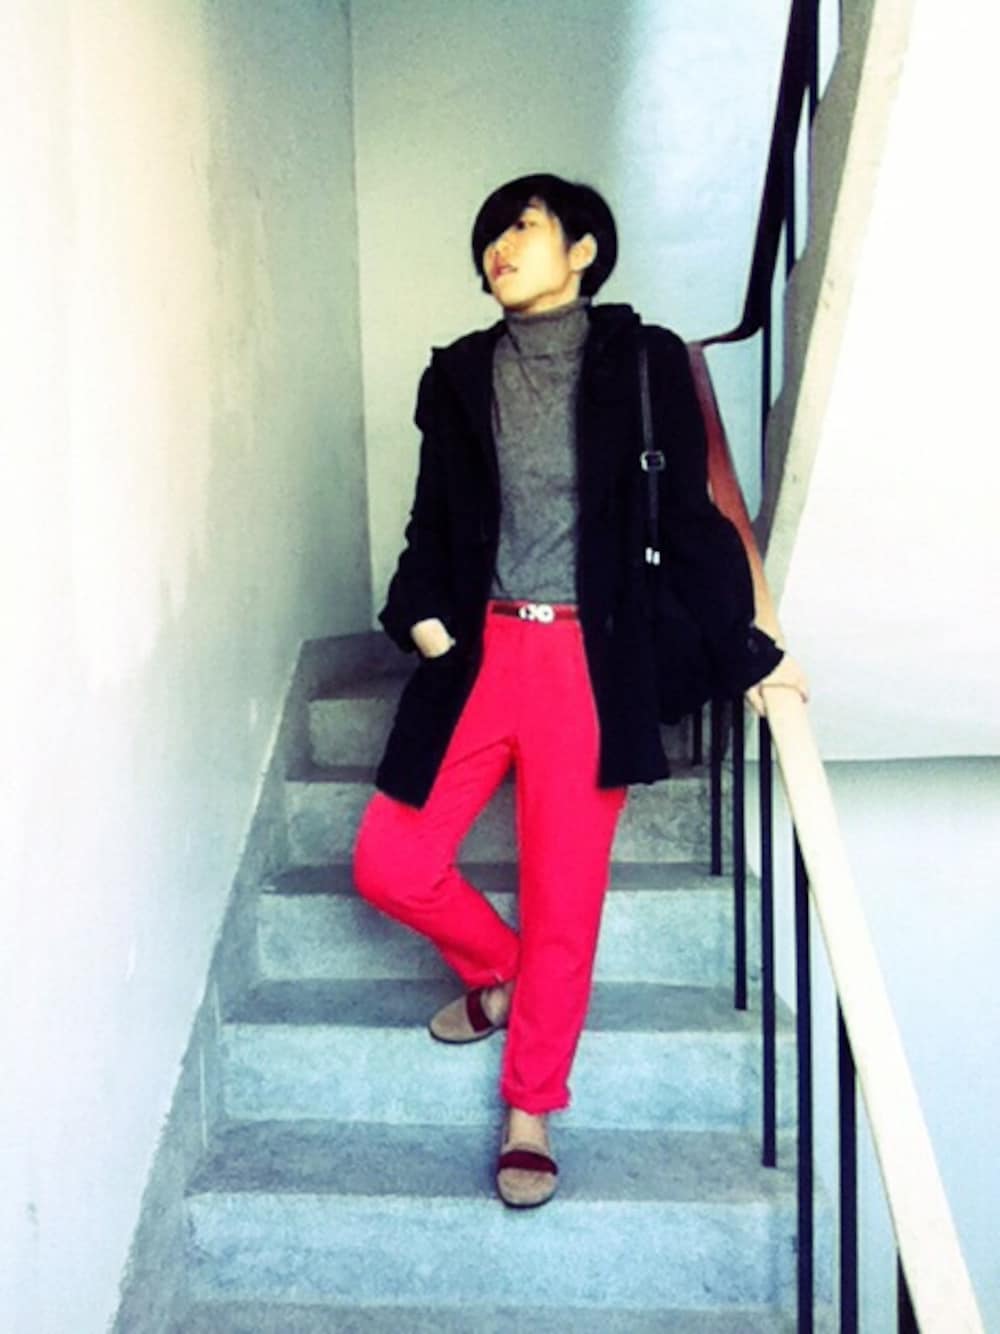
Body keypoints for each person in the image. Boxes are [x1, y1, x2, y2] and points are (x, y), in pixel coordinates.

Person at [353, 173, 807, 1209]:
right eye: (489, 236)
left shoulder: (645, 362)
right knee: (390, 862)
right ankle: (500, 975)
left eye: (522, 226)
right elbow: (432, 522)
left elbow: (689, 517)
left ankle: (530, 1109)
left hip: (587, 665)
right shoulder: (459, 374)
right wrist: (420, 617)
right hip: (476, 654)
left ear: (584, 249)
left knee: (566, 898)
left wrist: (752, 649)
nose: (499, 248)